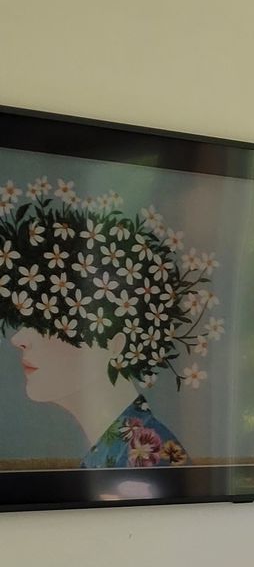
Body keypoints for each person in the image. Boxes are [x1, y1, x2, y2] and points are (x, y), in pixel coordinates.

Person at [0, 177, 221, 468]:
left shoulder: (146, 456)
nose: (18, 338)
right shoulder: (121, 449)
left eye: (47, 320)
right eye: (23, 317)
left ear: (116, 343)